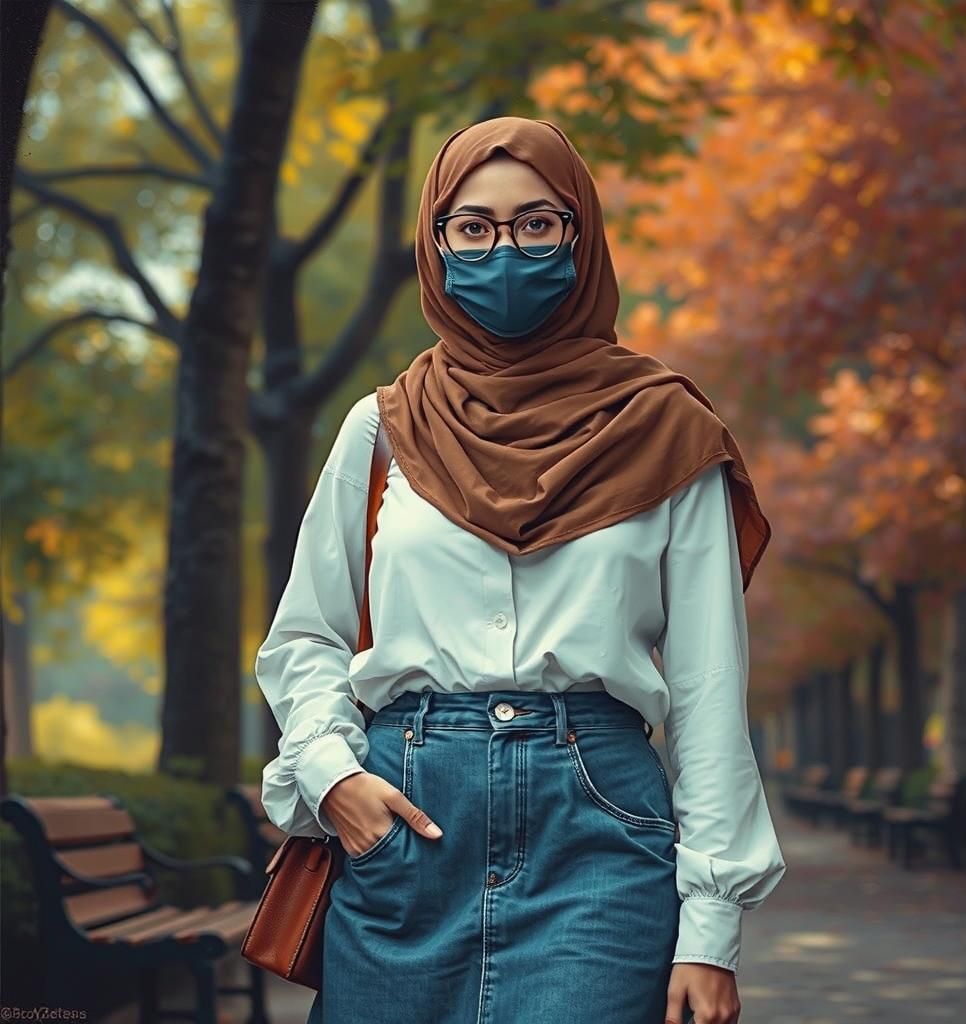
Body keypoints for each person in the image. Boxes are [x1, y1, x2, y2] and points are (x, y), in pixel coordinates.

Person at [255, 116, 787, 1024]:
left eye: (537, 223)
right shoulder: (382, 430)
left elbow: (706, 687)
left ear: (581, 237)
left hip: (599, 830)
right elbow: (307, 634)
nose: (506, 249)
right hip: (407, 822)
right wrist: (331, 776)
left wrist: (711, 929)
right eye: (475, 227)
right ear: (438, 244)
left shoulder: (667, 431)